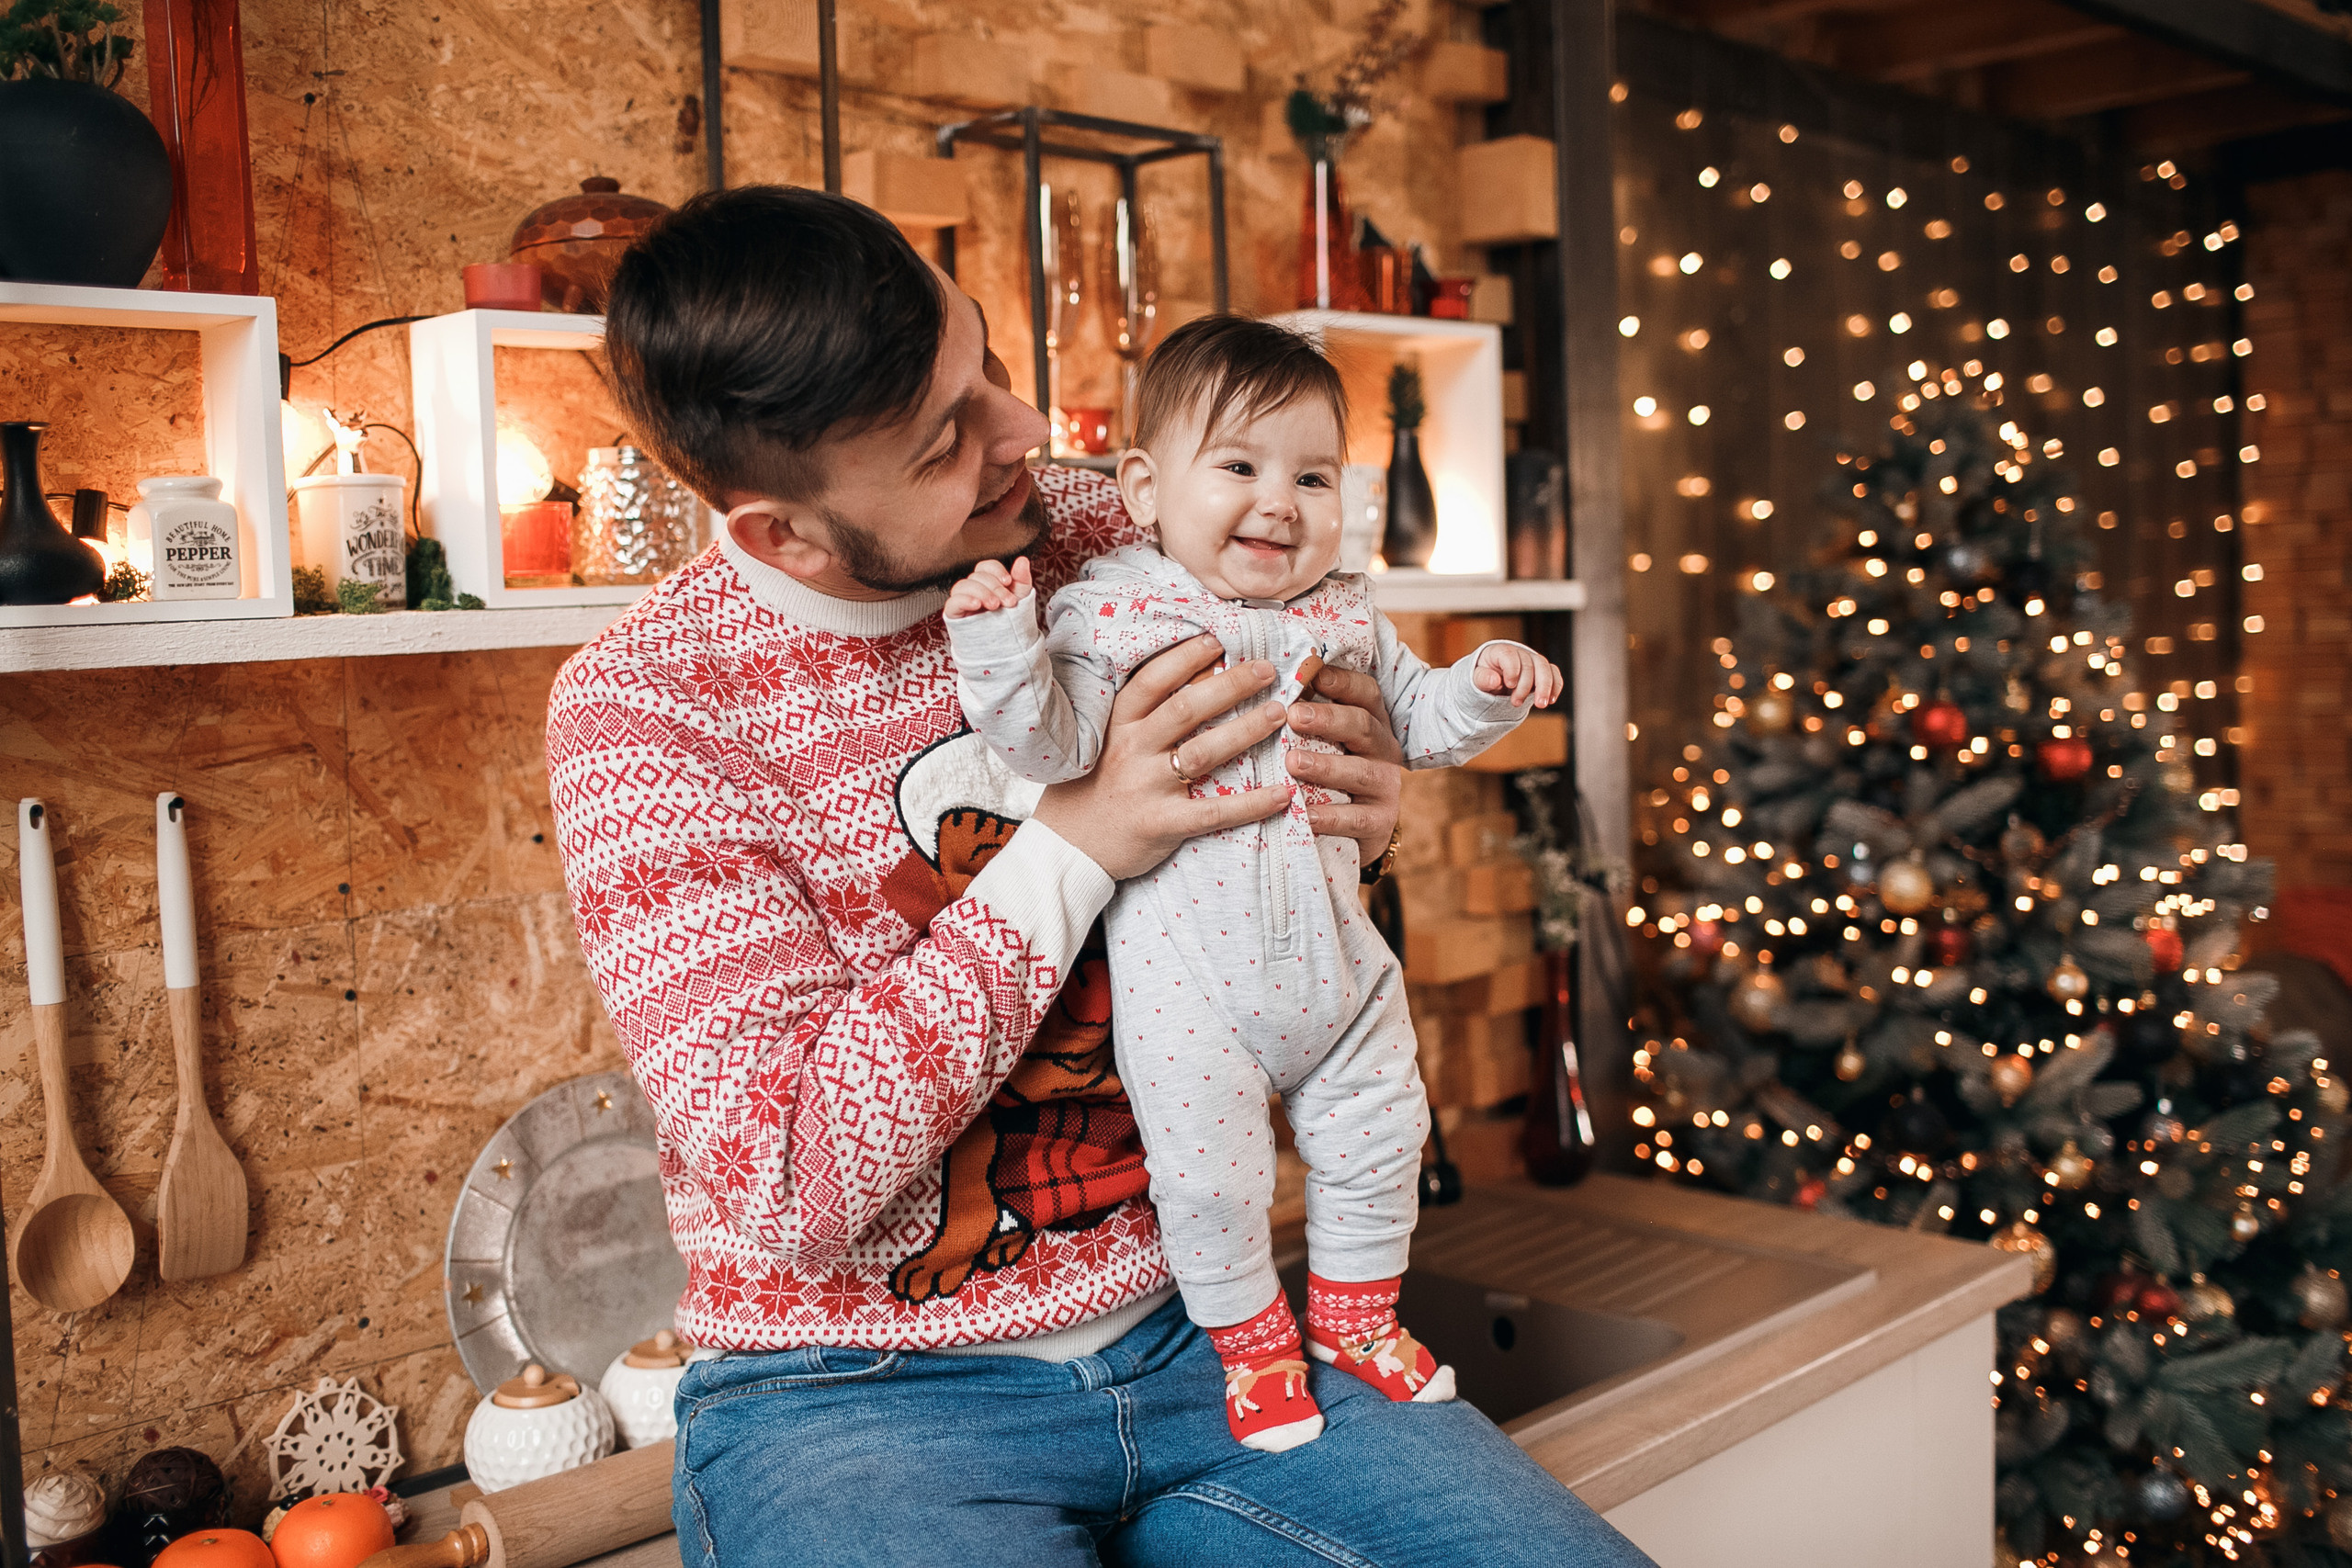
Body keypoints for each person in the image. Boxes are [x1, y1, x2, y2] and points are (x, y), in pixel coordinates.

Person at [548, 184, 1654, 1568]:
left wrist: (1365, 815)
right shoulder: (649, 711)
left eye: (990, 365)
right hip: (856, 1396)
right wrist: (1079, 844)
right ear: (787, 532)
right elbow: (785, 1183)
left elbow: (1333, 767)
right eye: (951, 436)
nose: (1026, 435)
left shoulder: (1100, 525)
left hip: (1204, 1317)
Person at [943, 314, 1560, 1453]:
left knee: (1383, 1137)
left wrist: (1486, 686)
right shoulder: (1107, 609)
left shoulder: (1346, 610)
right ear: (1141, 487)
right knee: (1211, 1186)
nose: (1281, 502)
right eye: (1239, 467)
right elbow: (1046, 745)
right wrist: (998, 649)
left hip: (1340, 966)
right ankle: (1254, 1348)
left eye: (1312, 476)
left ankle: (1359, 1317)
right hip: (1192, 992)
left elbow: (1416, 725)